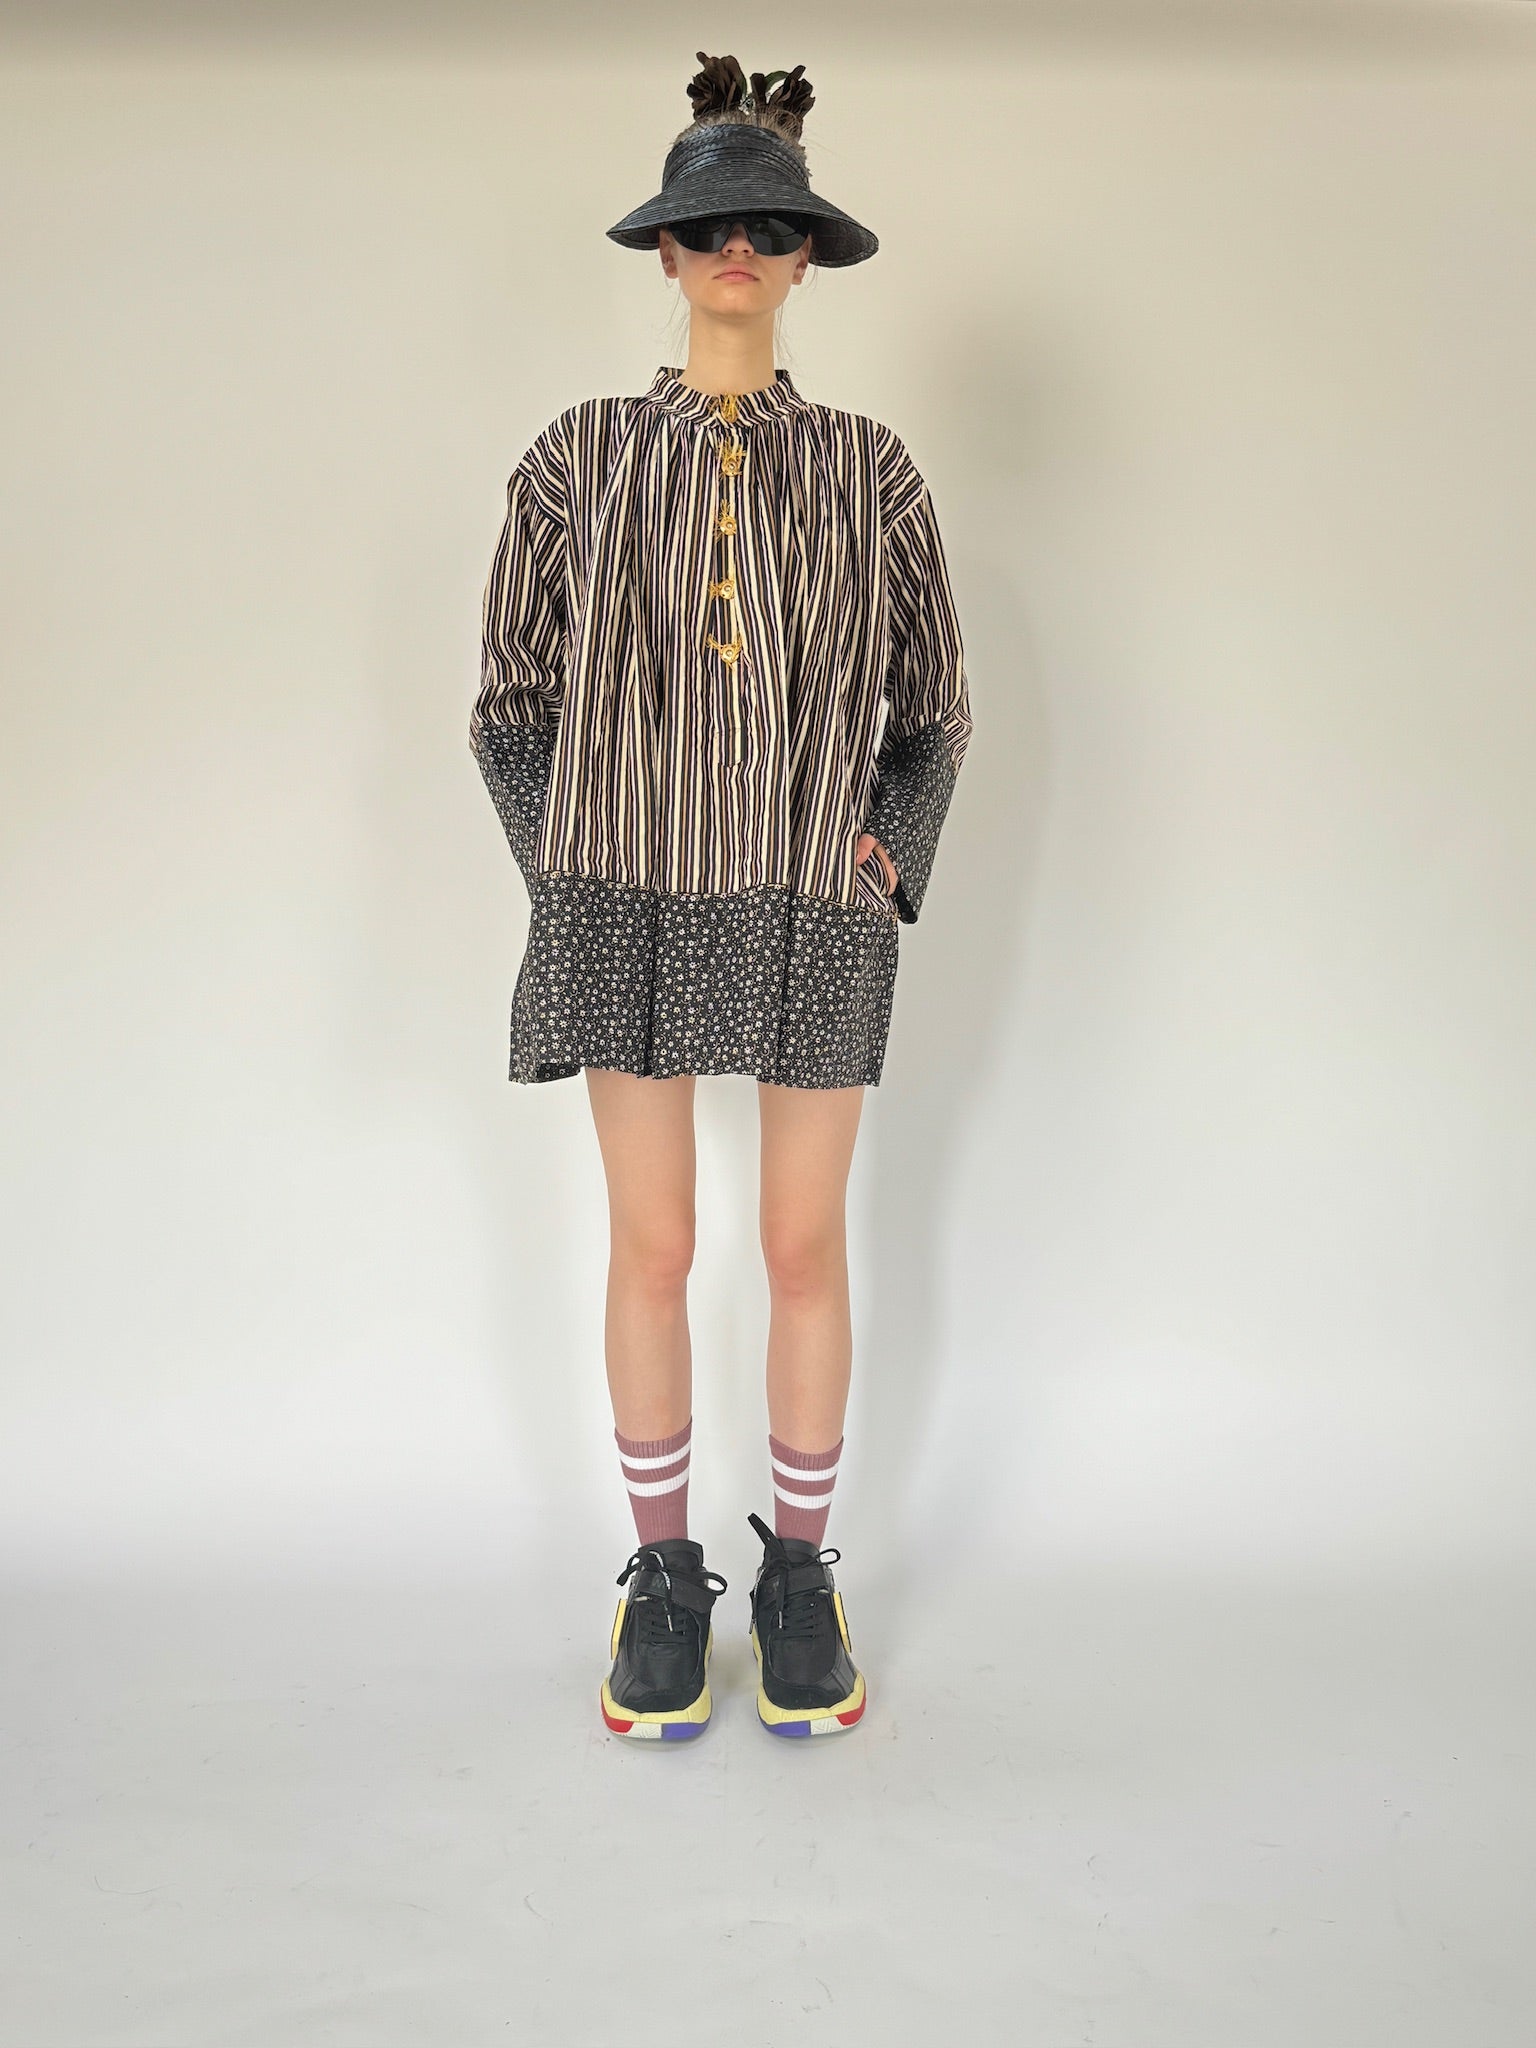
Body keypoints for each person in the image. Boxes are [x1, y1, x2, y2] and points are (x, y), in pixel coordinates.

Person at [469, 52, 973, 1740]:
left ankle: (802, 1577)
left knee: (804, 1240)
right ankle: (666, 1576)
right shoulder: (577, 457)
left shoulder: (873, 471)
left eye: (769, 223)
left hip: (815, 899)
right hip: (624, 894)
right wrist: (568, 862)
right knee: (658, 1240)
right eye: (710, 225)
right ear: (667, 253)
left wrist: (888, 848)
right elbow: (510, 702)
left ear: (808, 253)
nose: (738, 248)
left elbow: (936, 708)